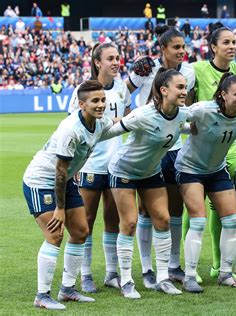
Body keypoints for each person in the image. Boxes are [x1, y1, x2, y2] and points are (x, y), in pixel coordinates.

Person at [22, 80, 112, 310]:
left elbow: (116, 124)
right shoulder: (70, 130)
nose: (101, 104)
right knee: (55, 234)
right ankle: (42, 296)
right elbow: (60, 171)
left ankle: (68, 290)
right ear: (81, 104)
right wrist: (60, 209)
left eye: (102, 100)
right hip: (41, 181)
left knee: (81, 231)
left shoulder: (98, 123)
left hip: (65, 181)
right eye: (95, 101)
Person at [106, 69, 189, 298]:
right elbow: (110, 131)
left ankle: (162, 277)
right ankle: (126, 280)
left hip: (150, 172)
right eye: (180, 87)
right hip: (123, 170)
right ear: (163, 90)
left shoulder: (182, 115)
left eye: (185, 87)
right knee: (130, 222)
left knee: (162, 219)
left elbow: (190, 126)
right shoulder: (143, 114)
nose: (185, 91)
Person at [175, 73, 236, 293]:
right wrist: (187, 128)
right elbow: (174, 115)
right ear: (223, 95)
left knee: (231, 220)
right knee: (199, 220)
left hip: (216, 170)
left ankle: (225, 273)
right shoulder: (204, 109)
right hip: (190, 169)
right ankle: (190, 276)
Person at [126, 25, 195, 288]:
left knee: (174, 209)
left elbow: (188, 105)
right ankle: (146, 269)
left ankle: (172, 265)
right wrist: (135, 114)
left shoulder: (188, 71)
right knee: (146, 210)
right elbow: (124, 92)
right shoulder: (145, 68)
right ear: (163, 48)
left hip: (175, 147)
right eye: (176, 47)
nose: (181, 52)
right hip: (148, 147)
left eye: (183, 47)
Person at [67, 43, 131, 293]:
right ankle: (86, 274)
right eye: (110, 58)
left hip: (116, 164)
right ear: (97, 62)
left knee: (112, 220)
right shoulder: (83, 90)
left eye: (118, 57)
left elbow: (127, 118)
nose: (116, 62)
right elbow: (73, 124)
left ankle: (112, 272)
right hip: (92, 164)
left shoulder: (122, 88)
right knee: (87, 220)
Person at [189, 22, 236, 278]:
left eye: (234, 42)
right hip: (200, 148)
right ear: (213, 47)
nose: (232, 46)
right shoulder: (197, 70)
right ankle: (189, 268)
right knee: (194, 207)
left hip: (230, 147)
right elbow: (188, 109)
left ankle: (217, 264)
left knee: (223, 208)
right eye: (226, 42)